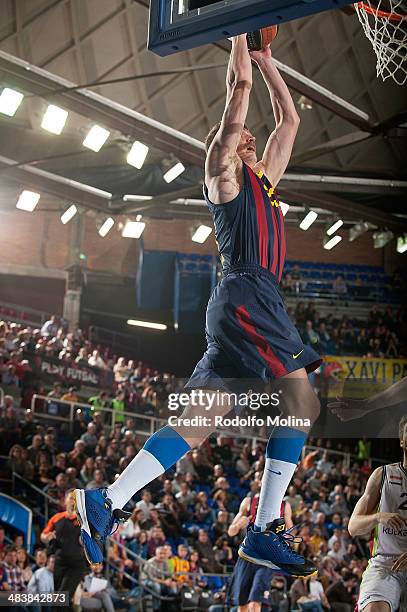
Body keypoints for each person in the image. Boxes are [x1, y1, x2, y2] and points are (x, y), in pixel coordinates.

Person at [74, 34, 321, 577]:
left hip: (245, 303)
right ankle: (264, 525)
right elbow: (240, 91)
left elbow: (291, 123)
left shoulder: (265, 182)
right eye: (238, 135)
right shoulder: (223, 176)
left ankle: (107, 501)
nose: (250, 136)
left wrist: (269, 60)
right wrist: (239, 37)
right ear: (225, 145)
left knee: (197, 422)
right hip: (247, 296)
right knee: (300, 399)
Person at [348, 415, 407, 612]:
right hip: (385, 564)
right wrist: (378, 516)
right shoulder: (383, 475)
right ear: (402, 441)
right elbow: (353, 527)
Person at [227, 486, 293, 612]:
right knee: (242, 605)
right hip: (247, 556)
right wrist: (238, 525)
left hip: (266, 558)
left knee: (255, 602)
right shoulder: (249, 502)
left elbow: (291, 537)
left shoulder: (284, 505)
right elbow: (230, 532)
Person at [40, 490, 87, 605]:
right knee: (59, 598)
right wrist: (47, 537)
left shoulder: (84, 519)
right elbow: (43, 535)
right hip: (60, 561)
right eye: (71, 498)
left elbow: (92, 539)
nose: (73, 501)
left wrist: (85, 541)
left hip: (76, 563)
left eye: (75, 499)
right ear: (64, 501)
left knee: (62, 596)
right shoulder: (57, 518)